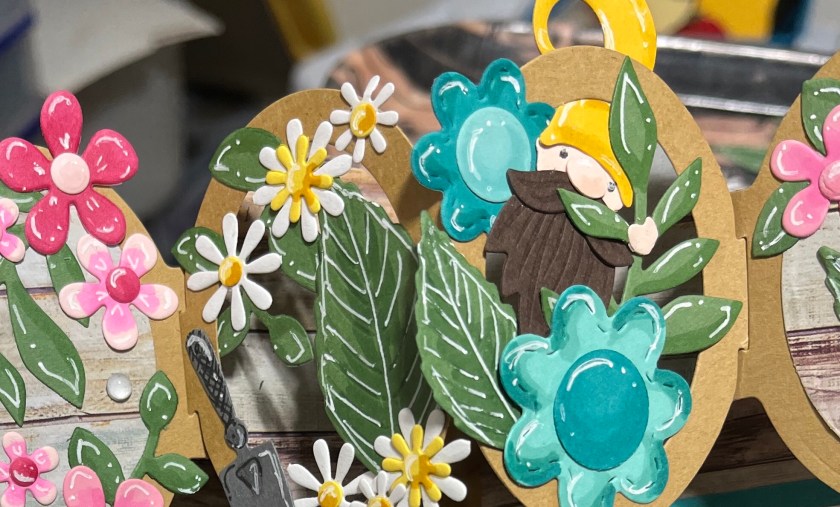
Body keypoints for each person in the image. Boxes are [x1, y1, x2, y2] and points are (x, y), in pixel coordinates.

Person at [486, 99, 658, 335]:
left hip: (584, 293)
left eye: (609, 182)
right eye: (565, 153)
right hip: (529, 281)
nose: (584, 176)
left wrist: (633, 239)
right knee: (531, 320)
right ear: (543, 147)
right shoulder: (533, 193)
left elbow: (613, 249)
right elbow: (505, 231)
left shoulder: (601, 220)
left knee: (575, 326)